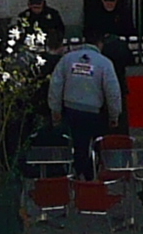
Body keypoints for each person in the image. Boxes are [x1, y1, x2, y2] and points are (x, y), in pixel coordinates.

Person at [48, 37, 123, 179]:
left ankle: (77, 174)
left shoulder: (67, 59)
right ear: (99, 44)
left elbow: (55, 85)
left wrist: (55, 109)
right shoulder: (104, 63)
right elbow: (113, 92)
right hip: (93, 112)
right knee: (92, 145)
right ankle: (89, 176)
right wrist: (114, 115)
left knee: (77, 144)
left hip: (70, 110)